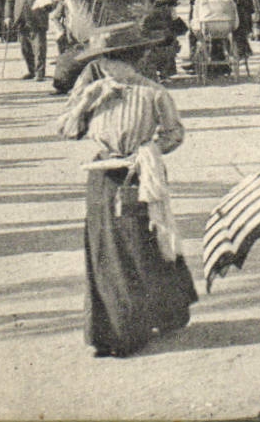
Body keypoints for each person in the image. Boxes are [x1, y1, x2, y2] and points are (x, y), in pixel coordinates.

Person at [55, 21, 198, 357]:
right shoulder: (95, 91)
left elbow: (174, 133)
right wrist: (85, 103)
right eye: (102, 61)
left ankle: (146, 322)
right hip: (103, 176)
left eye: (110, 60)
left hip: (139, 175)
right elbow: (68, 130)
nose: (104, 67)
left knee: (139, 244)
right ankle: (111, 331)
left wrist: (148, 151)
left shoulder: (153, 93)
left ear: (131, 59)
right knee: (105, 249)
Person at [4, 0, 52, 81]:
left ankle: (40, 73)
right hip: (22, 20)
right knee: (25, 49)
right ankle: (31, 71)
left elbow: (51, 2)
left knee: (39, 48)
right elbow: (10, 0)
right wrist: (8, 16)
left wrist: (46, 6)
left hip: (38, 20)